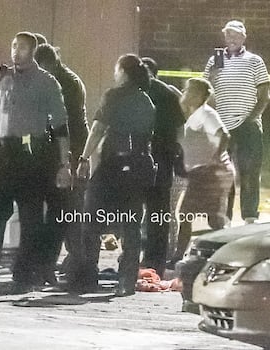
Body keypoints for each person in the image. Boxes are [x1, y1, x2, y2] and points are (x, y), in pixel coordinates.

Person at [0, 32, 69, 292]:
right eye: (13, 45)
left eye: (21, 47)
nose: (15, 51)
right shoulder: (1, 78)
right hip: (3, 151)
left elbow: (60, 126)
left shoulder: (46, 82)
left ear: (33, 50)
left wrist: (65, 163)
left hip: (32, 152)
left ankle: (24, 274)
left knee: (31, 217)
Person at [77, 54, 155, 297]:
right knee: (132, 224)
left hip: (112, 165)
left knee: (91, 219)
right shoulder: (147, 101)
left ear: (123, 72)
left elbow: (99, 128)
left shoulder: (113, 96)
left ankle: (88, 275)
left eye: (116, 69)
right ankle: (126, 280)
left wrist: (84, 157)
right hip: (140, 166)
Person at [203, 20, 269, 224]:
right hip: (221, 127)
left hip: (248, 125)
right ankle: (224, 217)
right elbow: (203, 91)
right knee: (224, 174)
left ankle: (249, 216)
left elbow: (264, 94)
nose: (231, 39)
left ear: (244, 38)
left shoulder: (254, 61)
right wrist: (212, 75)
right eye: (228, 35)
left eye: (236, 35)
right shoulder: (214, 61)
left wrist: (251, 119)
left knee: (250, 171)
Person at [34, 43, 88, 288]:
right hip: (66, 149)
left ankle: (67, 265)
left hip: (66, 150)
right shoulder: (67, 79)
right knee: (64, 209)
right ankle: (67, 264)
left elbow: (61, 121)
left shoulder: (62, 83)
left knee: (63, 210)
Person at [172, 78, 234, 261]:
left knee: (210, 218)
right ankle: (180, 255)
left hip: (213, 173)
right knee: (189, 214)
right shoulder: (194, 114)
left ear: (199, 95)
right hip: (201, 173)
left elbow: (225, 135)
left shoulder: (207, 114)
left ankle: (223, 255)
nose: (184, 93)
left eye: (188, 90)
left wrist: (214, 159)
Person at [139, 57, 184, 278]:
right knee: (158, 211)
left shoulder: (141, 92)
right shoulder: (170, 94)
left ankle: (146, 257)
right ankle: (154, 258)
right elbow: (179, 128)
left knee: (146, 209)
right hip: (162, 158)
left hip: (147, 157)